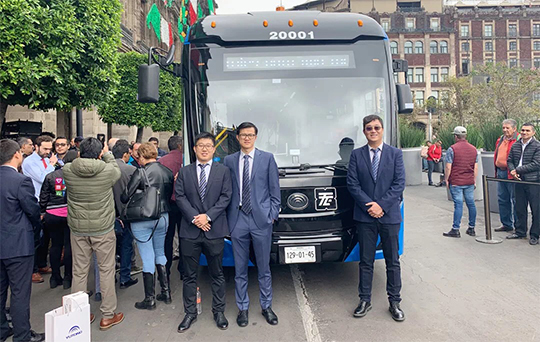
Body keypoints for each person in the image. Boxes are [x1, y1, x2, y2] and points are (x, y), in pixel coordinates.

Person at [346, 115, 406, 322]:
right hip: (365, 217)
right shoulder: (356, 155)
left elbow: (399, 183)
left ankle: (395, 302)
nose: (373, 131)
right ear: (364, 131)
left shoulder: (395, 154)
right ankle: (364, 300)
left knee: (392, 261)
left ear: (382, 130)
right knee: (365, 261)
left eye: (376, 127)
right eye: (369, 128)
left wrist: (381, 205)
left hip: (389, 216)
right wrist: (369, 206)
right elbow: (353, 184)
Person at [63, 137, 124, 330]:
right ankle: (107, 315)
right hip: (103, 228)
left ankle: (78, 314)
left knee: (79, 271)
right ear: (99, 153)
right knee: (106, 270)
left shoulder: (68, 170)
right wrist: (106, 152)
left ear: (79, 152)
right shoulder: (108, 171)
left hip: (78, 228)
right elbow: (115, 167)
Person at [224, 122, 281, 328]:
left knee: (264, 267)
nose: (247, 138)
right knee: (240, 268)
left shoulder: (267, 158)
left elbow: (275, 191)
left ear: (256, 137)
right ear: (237, 138)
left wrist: (271, 215)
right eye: (243, 135)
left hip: (261, 220)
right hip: (238, 219)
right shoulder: (229, 160)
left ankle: (266, 306)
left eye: (250, 135)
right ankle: (243, 308)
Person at [175, 132, 232, 332]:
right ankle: (190, 313)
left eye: (208, 145)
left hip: (214, 229)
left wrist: (207, 217)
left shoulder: (223, 171)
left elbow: (226, 197)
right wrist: (195, 218)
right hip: (190, 231)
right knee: (190, 276)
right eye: (201, 145)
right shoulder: (185, 172)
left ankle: (219, 311)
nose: (205, 149)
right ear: (194, 149)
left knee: (217, 274)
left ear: (214, 148)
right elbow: (180, 197)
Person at [0, 139, 45, 342]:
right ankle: (22, 336)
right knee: (19, 293)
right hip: (18, 244)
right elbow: (32, 210)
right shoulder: (20, 181)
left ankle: (2, 328)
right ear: (17, 154)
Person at [121, 143, 174, 310]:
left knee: (147, 256)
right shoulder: (167, 172)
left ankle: (149, 299)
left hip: (143, 218)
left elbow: (125, 196)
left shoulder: (141, 172)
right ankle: (166, 292)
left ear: (142, 157)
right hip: (163, 216)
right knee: (160, 252)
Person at [39, 152, 78, 289]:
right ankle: (68, 277)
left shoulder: (52, 176)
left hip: (52, 215)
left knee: (55, 245)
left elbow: (43, 197)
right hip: (69, 214)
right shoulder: (74, 176)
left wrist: (43, 211)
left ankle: (55, 277)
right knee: (68, 246)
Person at [21, 135, 56, 283]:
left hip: (47, 202)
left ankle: (42, 264)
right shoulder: (29, 162)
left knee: (46, 237)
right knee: (36, 237)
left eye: (49, 148)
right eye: (45, 148)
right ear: (37, 147)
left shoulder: (47, 160)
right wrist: (52, 164)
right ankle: (33, 270)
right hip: (35, 202)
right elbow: (43, 177)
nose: (48, 151)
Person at [506, 123, 540, 245]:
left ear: (533, 132)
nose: (524, 132)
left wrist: (518, 170)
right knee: (519, 207)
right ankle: (520, 231)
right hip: (518, 180)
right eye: (523, 130)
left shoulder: (537, 146)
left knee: (536, 209)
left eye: (527, 130)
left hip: (533, 181)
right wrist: (512, 171)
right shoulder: (515, 145)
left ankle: (535, 235)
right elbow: (509, 160)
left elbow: (537, 163)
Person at [111, 141, 138, 289]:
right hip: (126, 213)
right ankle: (125, 277)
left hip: (109, 214)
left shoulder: (104, 169)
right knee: (127, 246)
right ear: (125, 154)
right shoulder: (131, 170)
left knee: (110, 248)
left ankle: (111, 276)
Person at [443, 126, 478, 238]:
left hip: (457, 181)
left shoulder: (452, 149)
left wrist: (447, 179)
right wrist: (474, 180)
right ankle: (471, 228)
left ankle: (456, 229)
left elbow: (448, 166)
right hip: (469, 181)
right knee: (471, 204)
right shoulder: (473, 149)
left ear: (455, 136)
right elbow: (475, 167)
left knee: (458, 204)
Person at [157, 135, 185, 280]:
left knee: (167, 238)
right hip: (184, 205)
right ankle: (183, 269)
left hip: (167, 204)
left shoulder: (162, 161)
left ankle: (166, 271)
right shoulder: (186, 160)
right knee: (184, 237)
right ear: (180, 146)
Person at [493, 119, 519, 233]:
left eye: (507, 128)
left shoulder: (518, 140)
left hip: (512, 174)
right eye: (503, 128)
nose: (505, 130)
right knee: (502, 199)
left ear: (514, 128)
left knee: (516, 200)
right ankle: (506, 224)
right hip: (501, 172)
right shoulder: (500, 139)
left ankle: (518, 226)